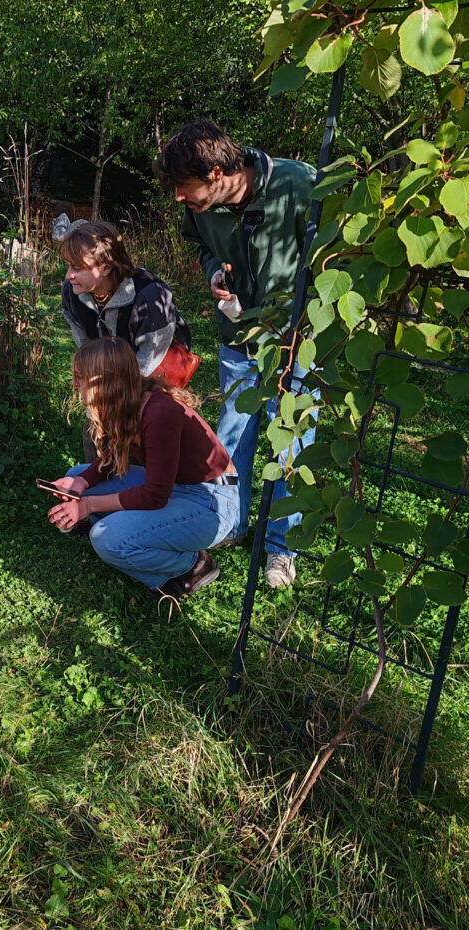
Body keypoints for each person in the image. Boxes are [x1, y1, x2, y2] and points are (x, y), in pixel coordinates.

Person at [154, 119, 317, 590]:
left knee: (292, 442)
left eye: (185, 187)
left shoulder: (297, 185)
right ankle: (230, 523)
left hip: (295, 343)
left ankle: (283, 549)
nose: (180, 199)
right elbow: (199, 242)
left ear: (219, 172)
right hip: (237, 339)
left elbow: (333, 258)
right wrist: (213, 274)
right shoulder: (200, 207)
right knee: (232, 434)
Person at [47, 338, 238, 600]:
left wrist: (89, 505)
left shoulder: (160, 413)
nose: (75, 384)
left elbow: (154, 496)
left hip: (211, 501)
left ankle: (191, 566)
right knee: (75, 477)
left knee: (107, 538)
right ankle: (138, 533)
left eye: (81, 377)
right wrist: (82, 482)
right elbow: (115, 455)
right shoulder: (128, 399)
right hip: (178, 487)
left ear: (105, 380)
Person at [60, 220, 193, 458]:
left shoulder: (151, 297)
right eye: (68, 266)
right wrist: (96, 391)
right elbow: (86, 349)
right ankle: (100, 479)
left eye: (77, 267)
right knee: (95, 431)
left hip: (155, 373)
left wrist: (115, 399)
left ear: (107, 267)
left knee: (143, 432)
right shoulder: (72, 293)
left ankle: (147, 483)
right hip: (112, 369)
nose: (69, 275)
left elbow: (148, 363)